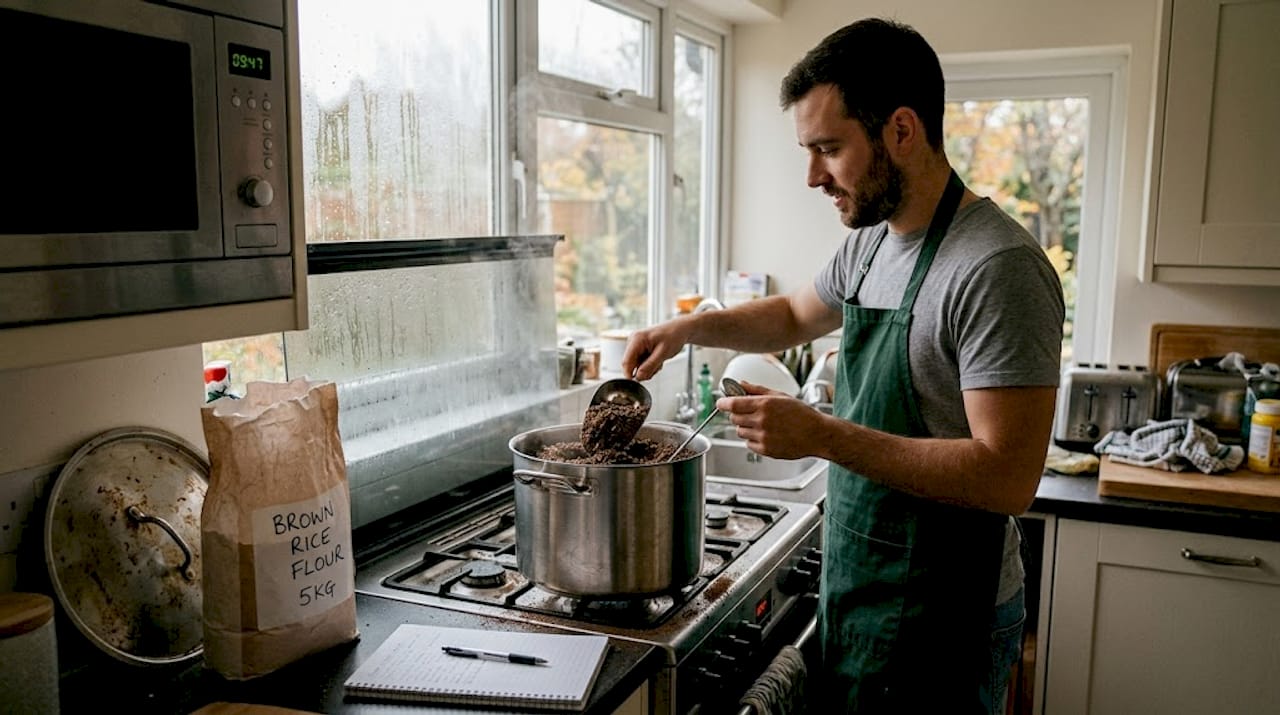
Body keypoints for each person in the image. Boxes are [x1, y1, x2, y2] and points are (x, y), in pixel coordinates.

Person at [622, 17, 1065, 714]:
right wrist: (685, 328)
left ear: (901, 130)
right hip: (861, 588)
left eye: (828, 148)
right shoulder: (871, 245)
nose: (811, 176)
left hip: (949, 617)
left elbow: (1008, 476)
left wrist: (824, 434)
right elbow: (795, 314)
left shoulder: (996, 267)